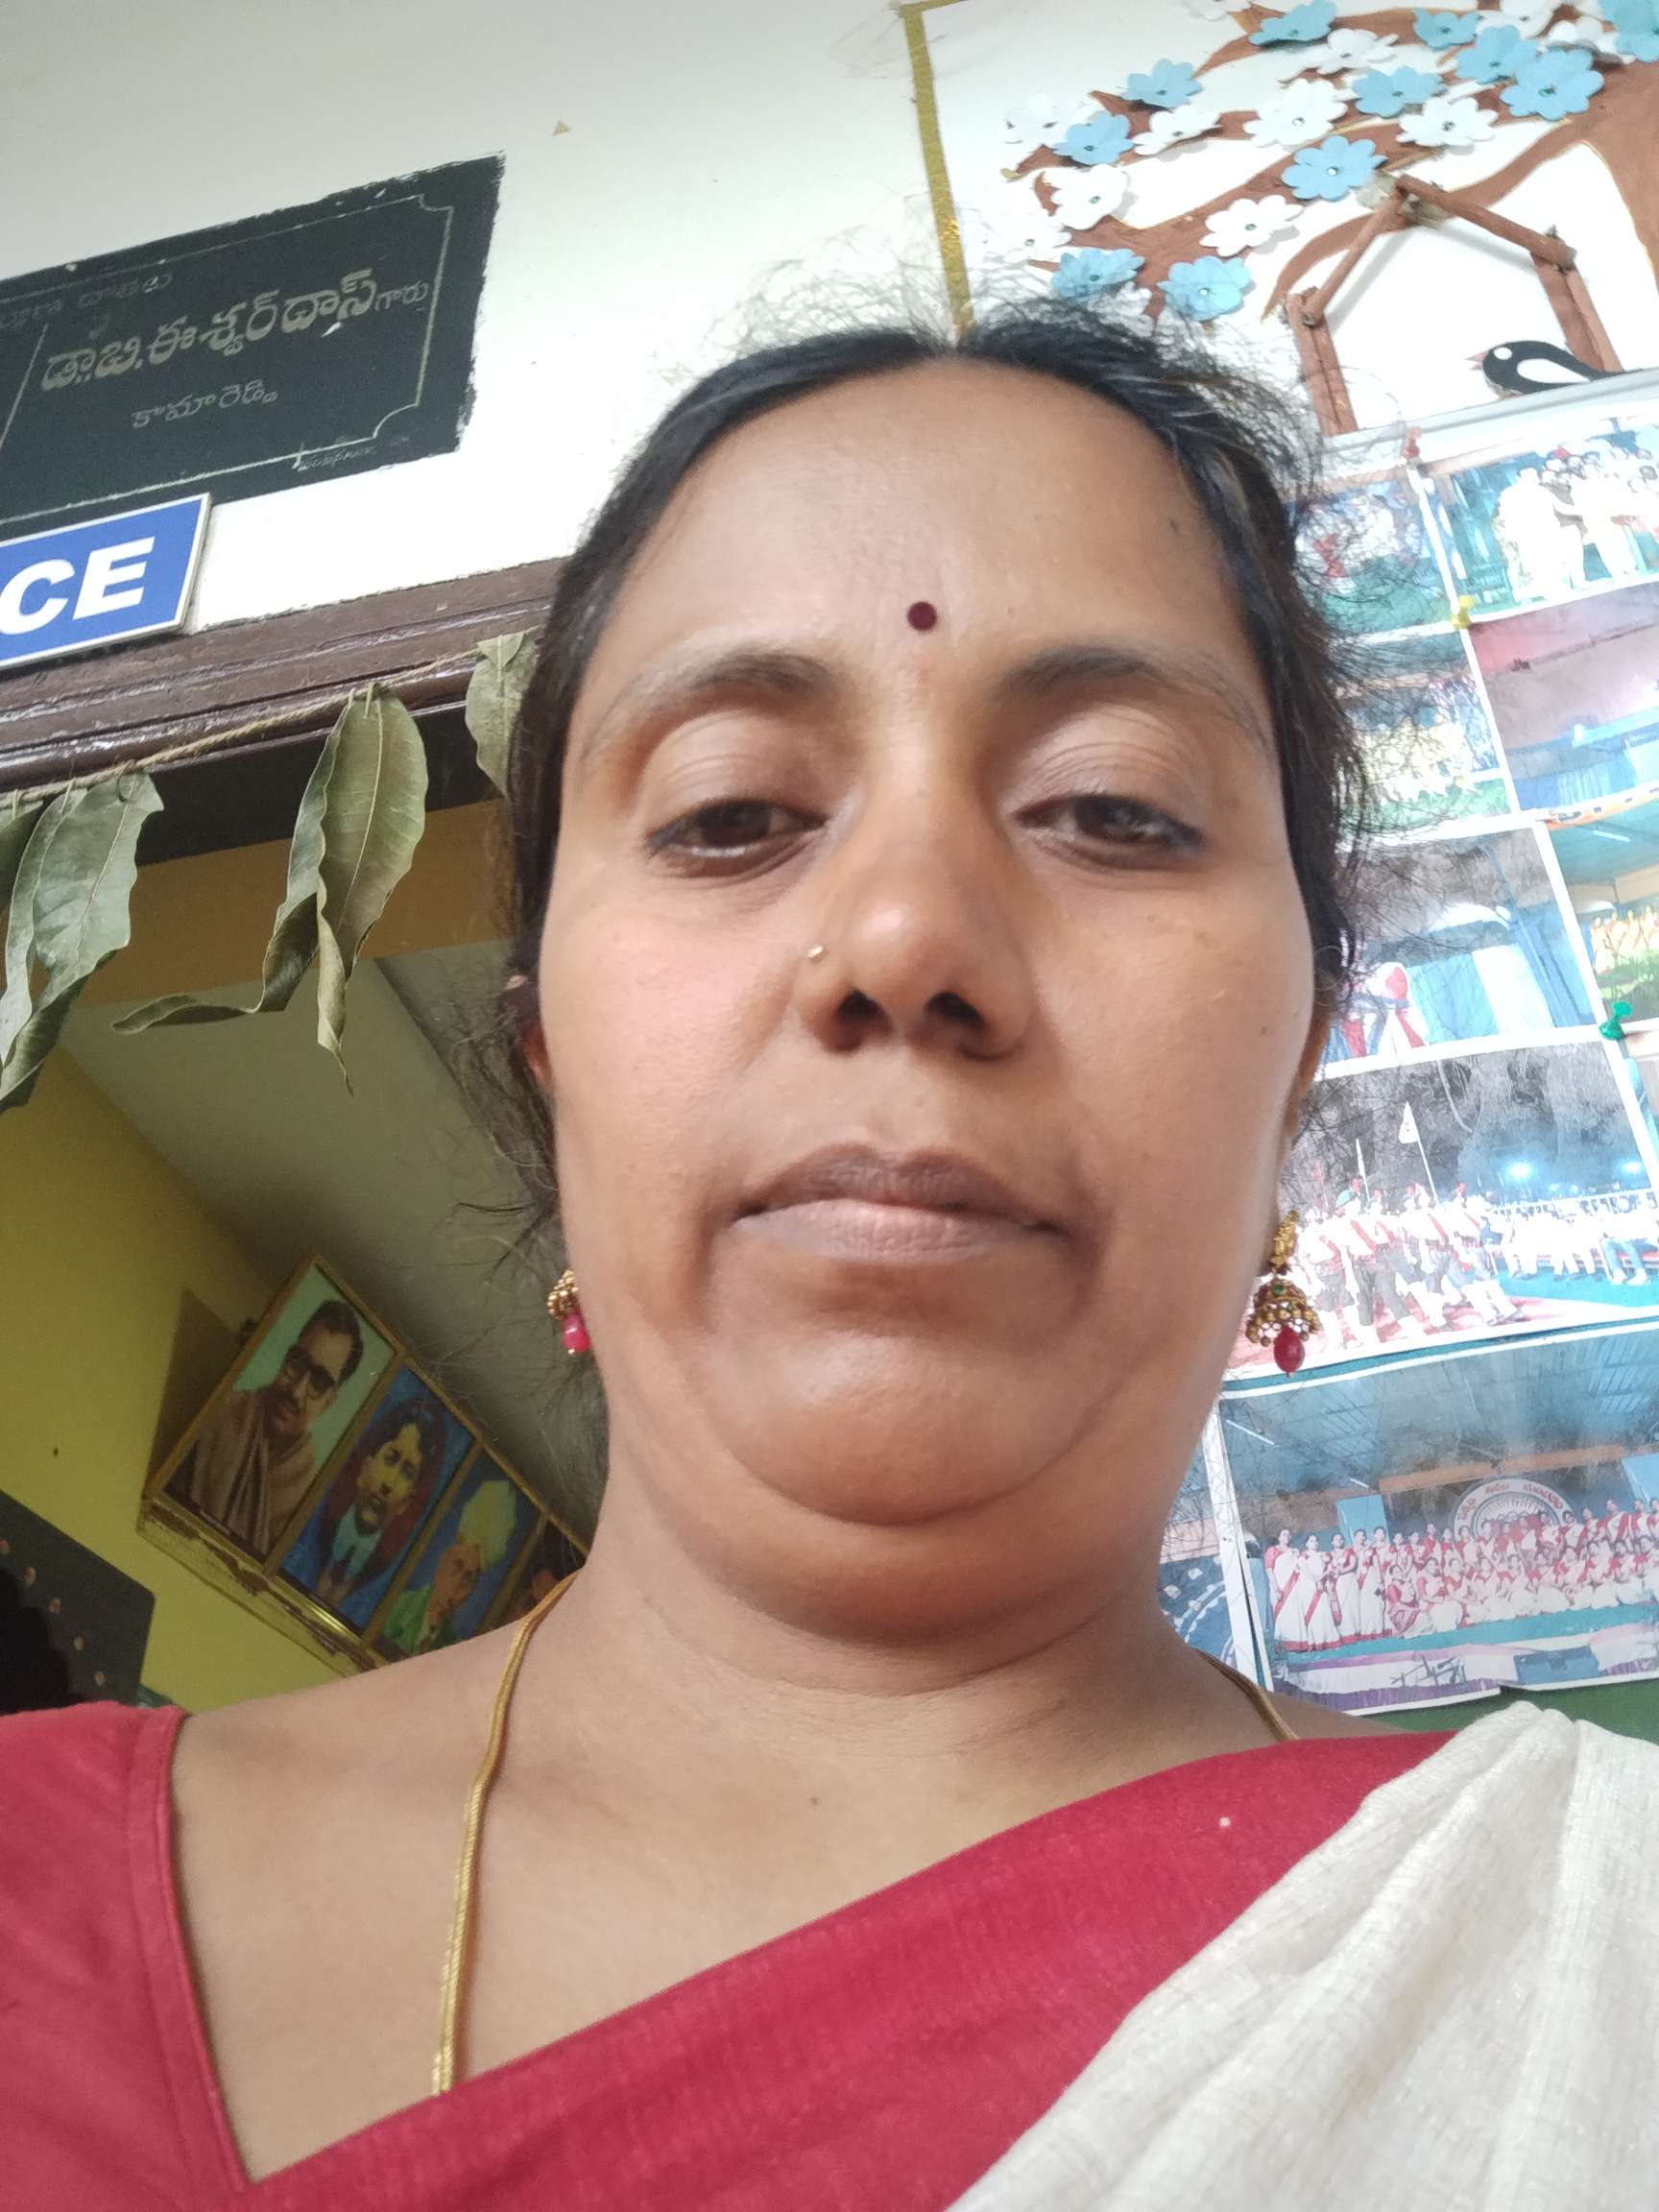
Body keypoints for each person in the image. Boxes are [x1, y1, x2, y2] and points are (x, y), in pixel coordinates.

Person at [9, 303, 1659, 2208]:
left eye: (1112, 807)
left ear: (1296, 1062)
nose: (902, 938)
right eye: (730, 813)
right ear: (548, 1057)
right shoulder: (28, 1905)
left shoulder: (1588, 1973)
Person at [166, 1298, 365, 1557]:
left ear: (329, 1401)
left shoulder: (309, 1495)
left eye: (318, 1382)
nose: (296, 1391)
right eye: (297, 1363)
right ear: (287, 1357)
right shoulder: (221, 1413)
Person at [282, 1393, 446, 1620]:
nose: (389, 1483)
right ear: (365, 1468)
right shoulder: (302, 1538)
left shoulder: (373, 1596)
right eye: (390, 1459)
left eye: (407, 1473)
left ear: (405, 1504)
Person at [381, 1480, 524, 1657]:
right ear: (444, 1561)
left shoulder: (456, 1651)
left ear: (472, 1590)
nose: (456, 1586)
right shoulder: (394, 1608)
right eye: (457, 1566)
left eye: (468, 1578)